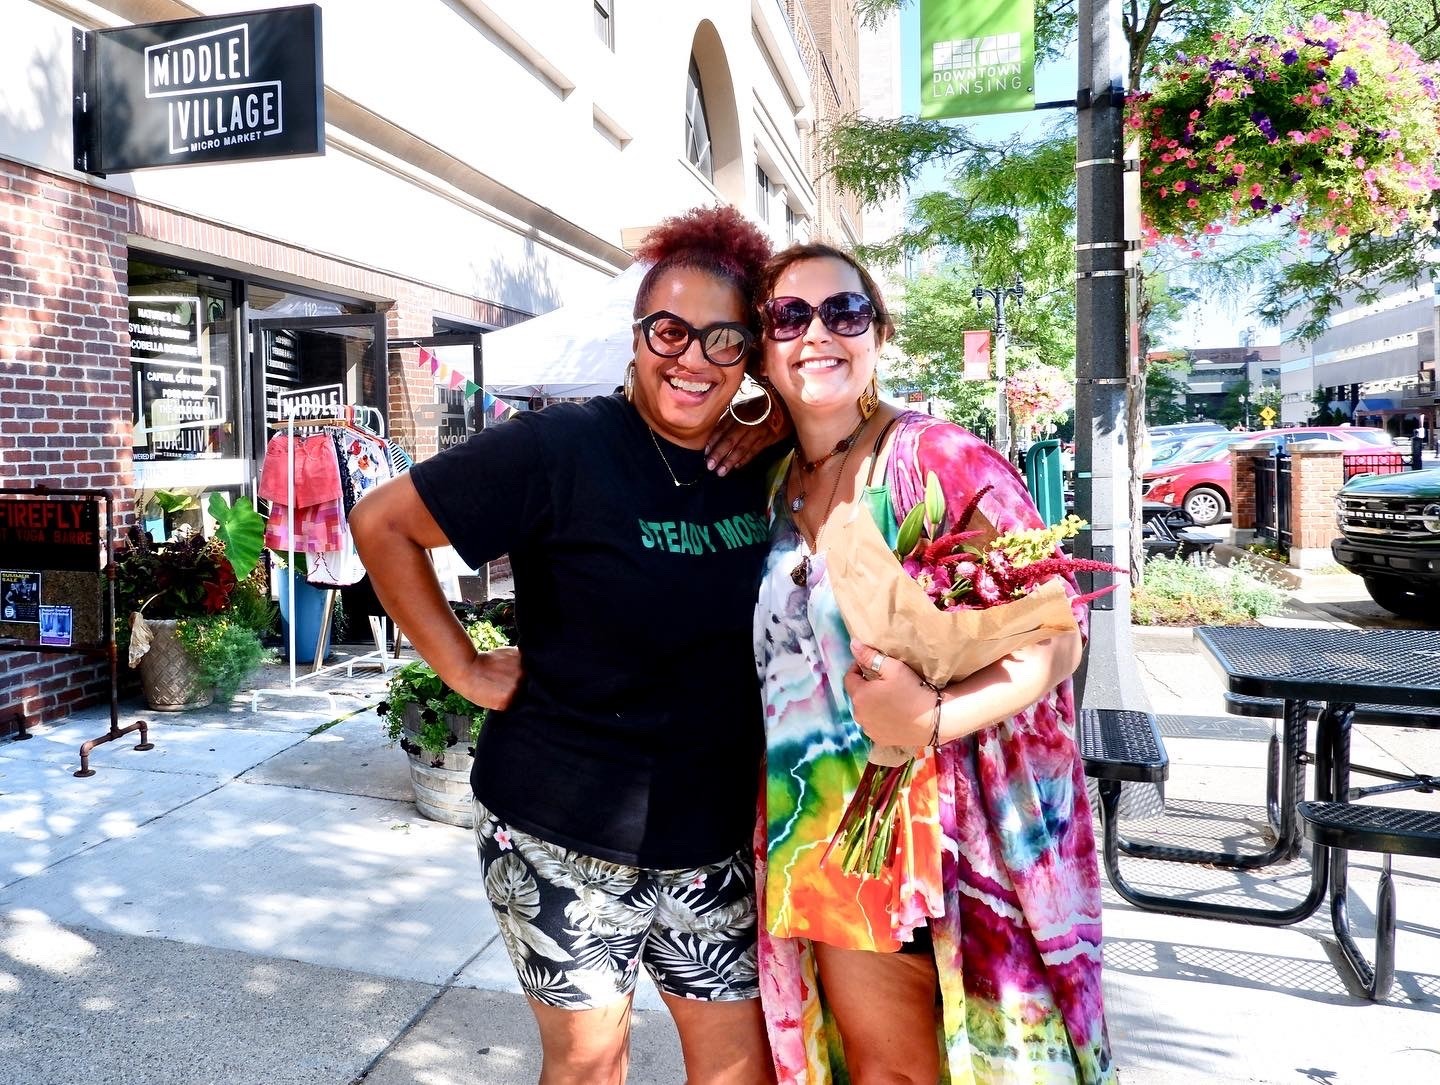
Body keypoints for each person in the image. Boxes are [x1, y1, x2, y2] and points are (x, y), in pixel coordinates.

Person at [351, 205, 783, 1085]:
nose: (692, 358)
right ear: (637, 335)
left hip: (711, 832)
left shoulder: (764, 459)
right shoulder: (563, 447)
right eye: (671, 329)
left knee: (741, 1065)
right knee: (590, 1064)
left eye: (723, 340)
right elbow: (381, 521)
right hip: (559, 826)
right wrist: (462, 665)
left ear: (751, 354)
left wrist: (773, 413)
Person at [751, 243, 1116, 1083]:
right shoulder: (775, 485)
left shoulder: (938, 460)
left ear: (877, 333)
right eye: (789, 316)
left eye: (843, 313)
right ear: (765, 345)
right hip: (819, 823)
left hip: (940, 825)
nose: (817, 334)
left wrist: (934, 718)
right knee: (874, 1065)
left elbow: (1061, 634)